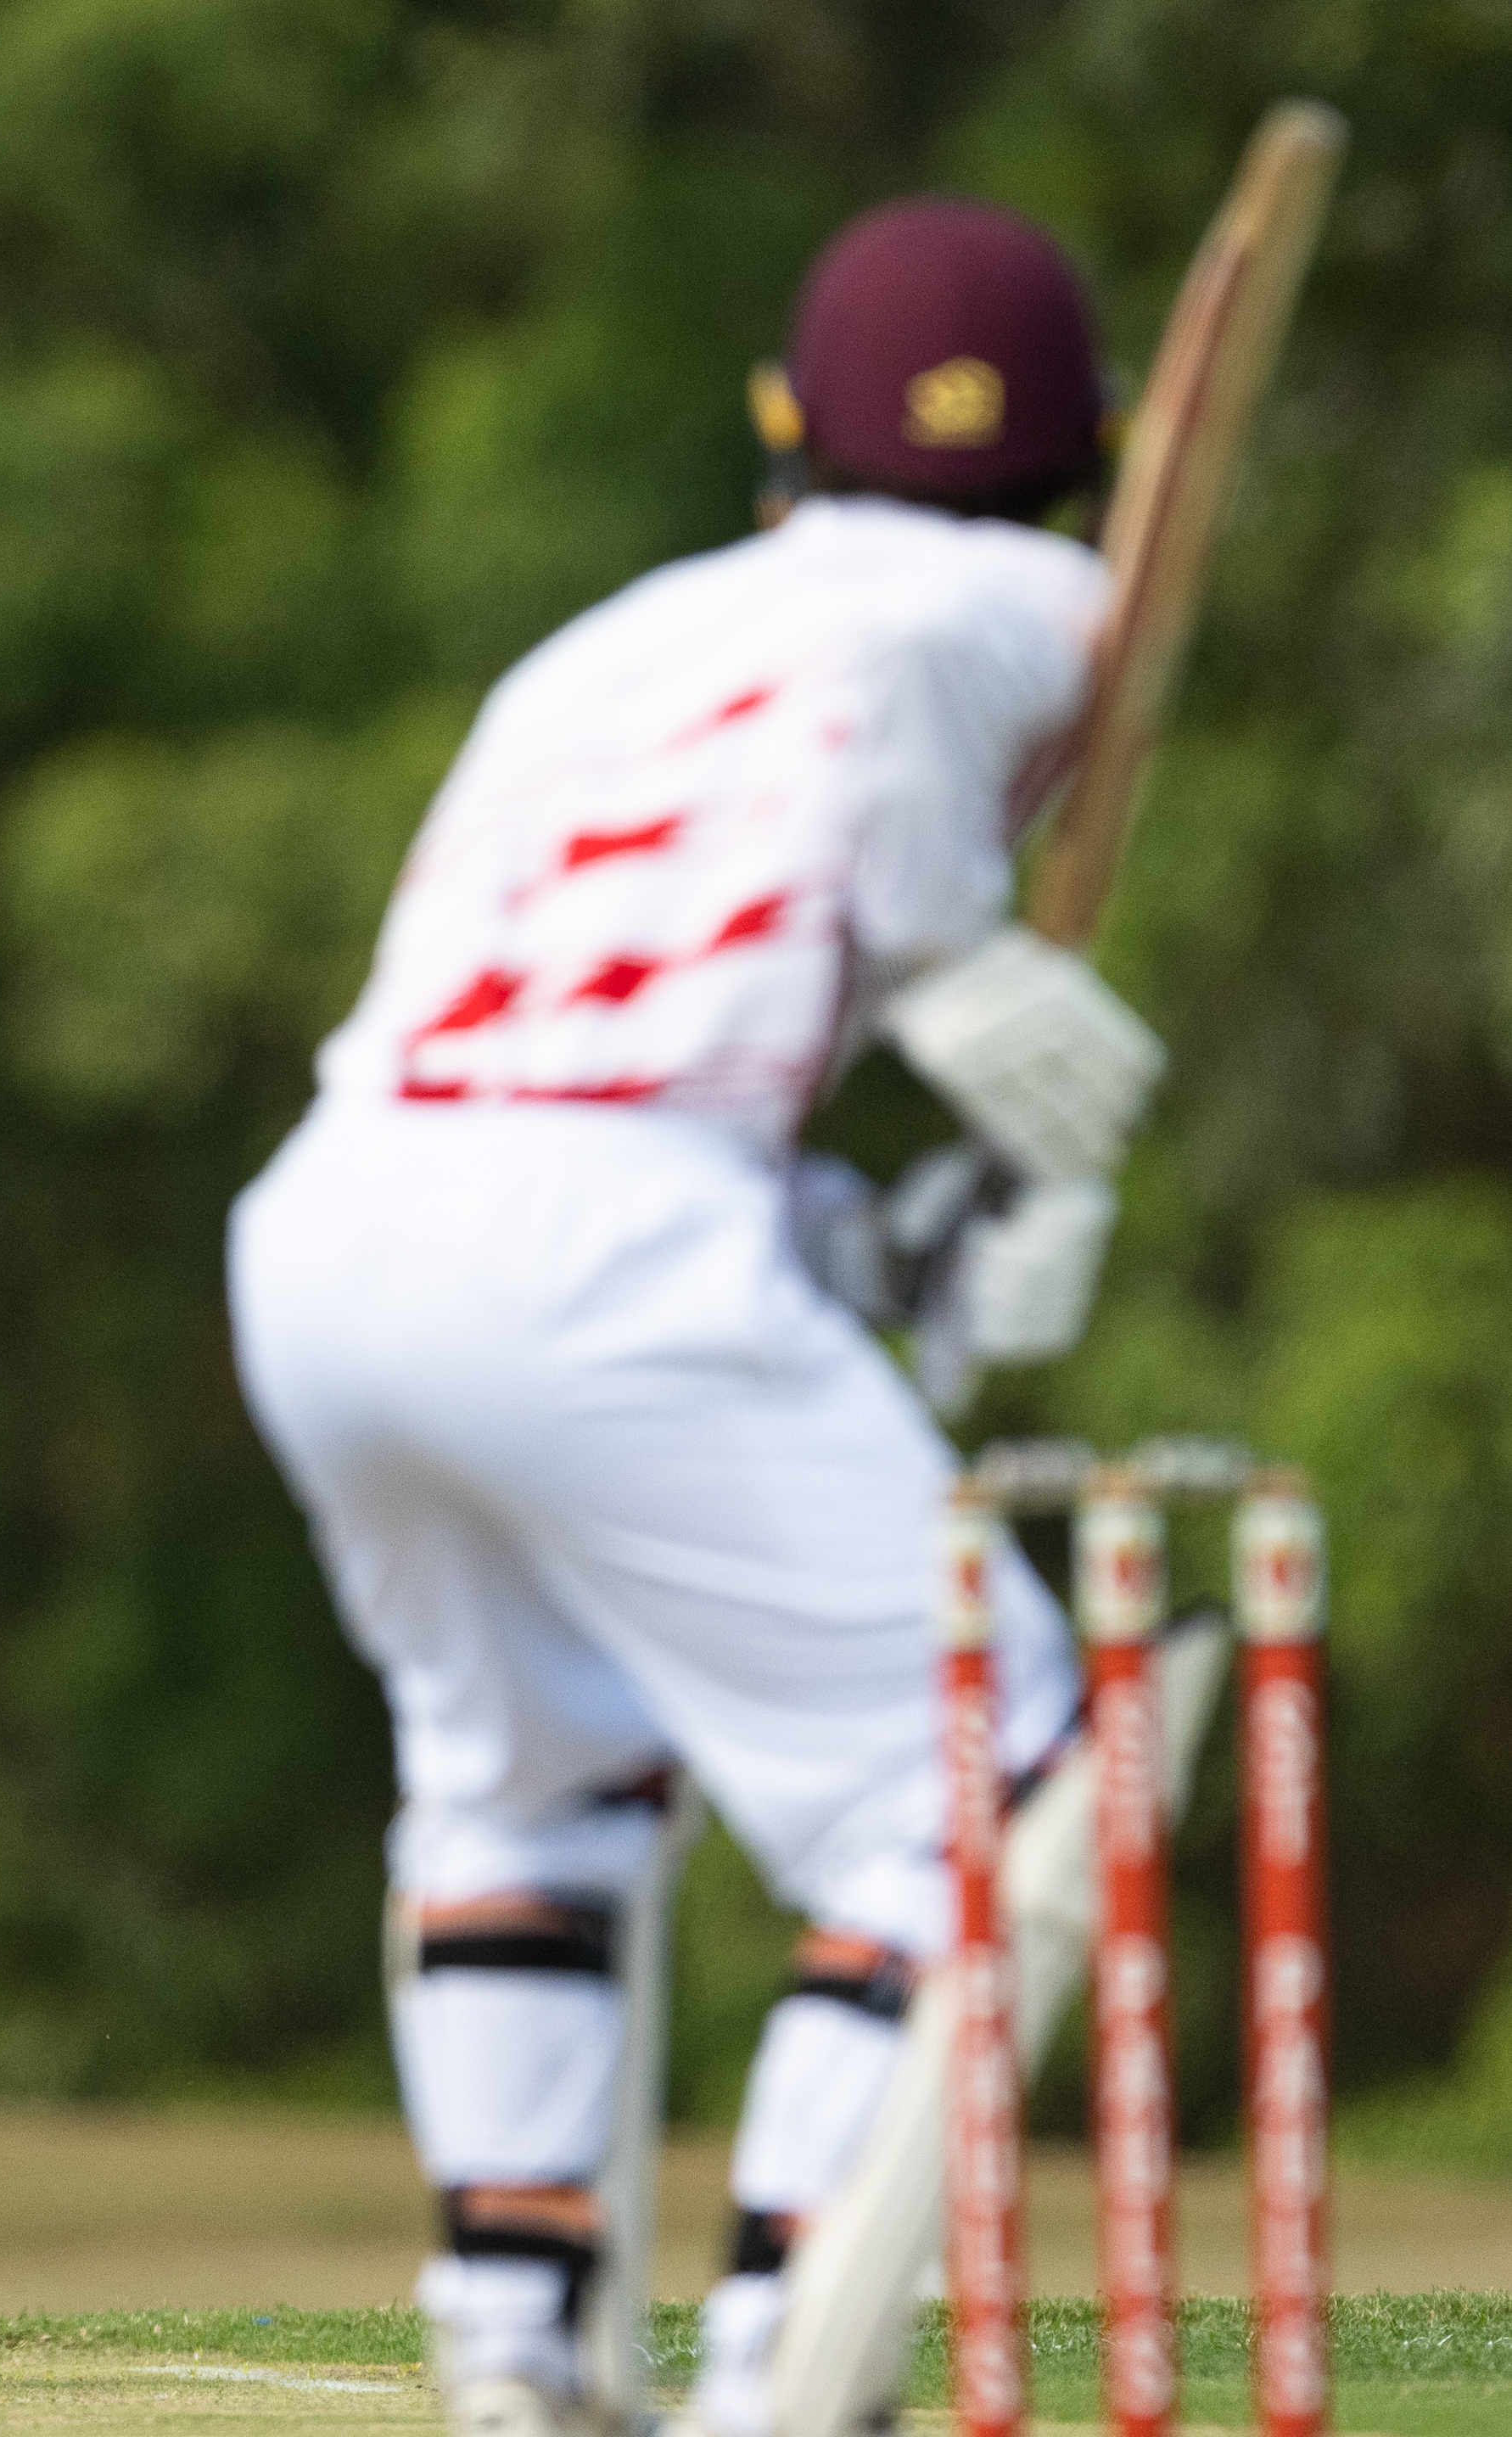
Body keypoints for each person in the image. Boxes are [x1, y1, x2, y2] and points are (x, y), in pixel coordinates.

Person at [228, 199, 1165, 2437]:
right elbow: (894, 762)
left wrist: (856, 1225)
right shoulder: (1040, 599)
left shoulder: (603, 639)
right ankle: (771, 2361)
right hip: (606, 1235)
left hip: (338, 1221)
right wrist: (960, 974)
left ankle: (513, 2349)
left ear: (779, 428)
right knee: (998, 1777)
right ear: (1092, 444)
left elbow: (567, 1015)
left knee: (522, 1781)